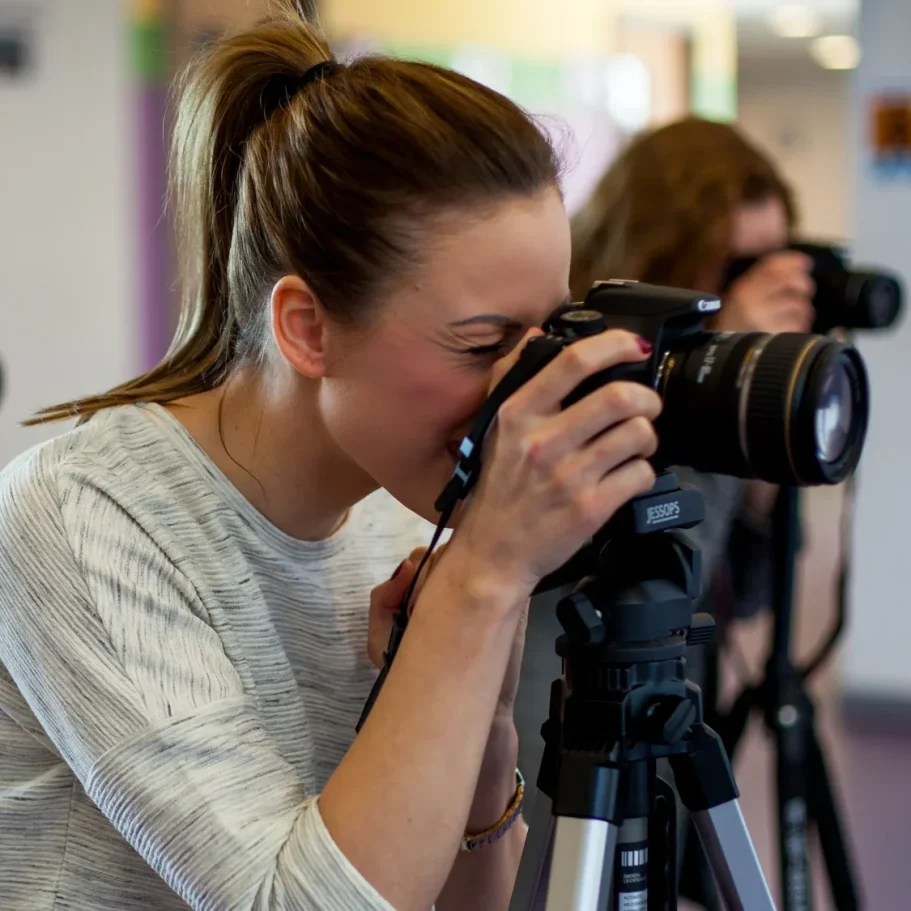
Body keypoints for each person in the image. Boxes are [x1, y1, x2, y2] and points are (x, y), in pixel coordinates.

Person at [0, 5, 665, 911]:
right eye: (481, 345)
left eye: (546, 333)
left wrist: (486, 729)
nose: (523, 389)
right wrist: (482, 579)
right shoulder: (80, 517)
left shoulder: (405, 505)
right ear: (306, 328)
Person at [514, 117, 816, 903]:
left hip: (665, 702)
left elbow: (737, 594)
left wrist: (755, 433)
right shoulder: (574, 372)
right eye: (738, 263)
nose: (761, 284)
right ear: (668, 253)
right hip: (560, 734)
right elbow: (663, 547)